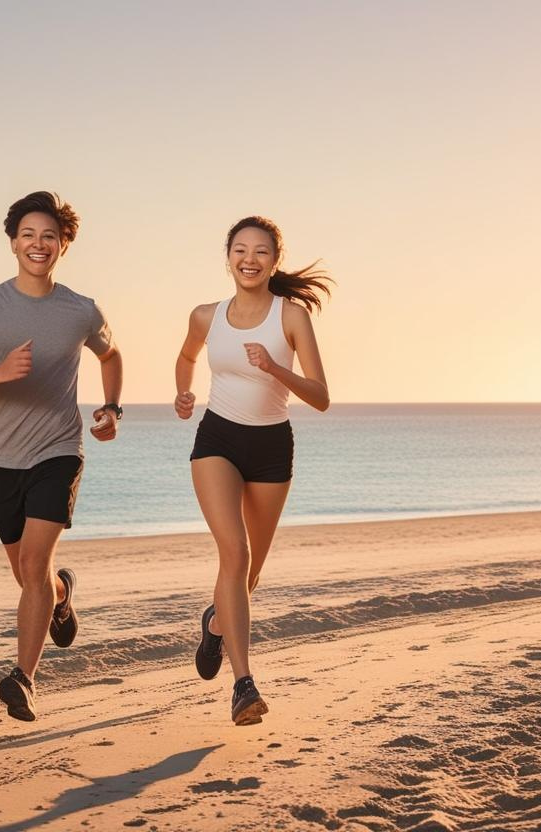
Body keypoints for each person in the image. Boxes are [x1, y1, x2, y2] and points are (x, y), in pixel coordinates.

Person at [0, 191, 123, 722]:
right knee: (29, 576)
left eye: (50, 237)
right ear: (13, 242)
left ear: (63, 245)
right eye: (29, 235)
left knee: (34, 564)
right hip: (0, 460)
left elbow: (112, 354)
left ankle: (24, 679)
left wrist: (111, 408)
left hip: (59, 450)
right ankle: (63, 594)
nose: (39, 244)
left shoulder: (81, 309)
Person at [173, 215, 332, 725]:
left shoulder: (291, 317)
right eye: (240, 250)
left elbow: (321, 397)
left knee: (249, 573)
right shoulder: (205, 315)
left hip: (271, 447)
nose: (249, 259)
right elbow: (185, 356)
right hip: (217, 438)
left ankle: (217, 623)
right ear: (228, 257)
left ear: (274, 261)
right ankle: (243, 685)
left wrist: (274, 367)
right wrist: (183, 391)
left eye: (260, 251)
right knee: (235, 553)